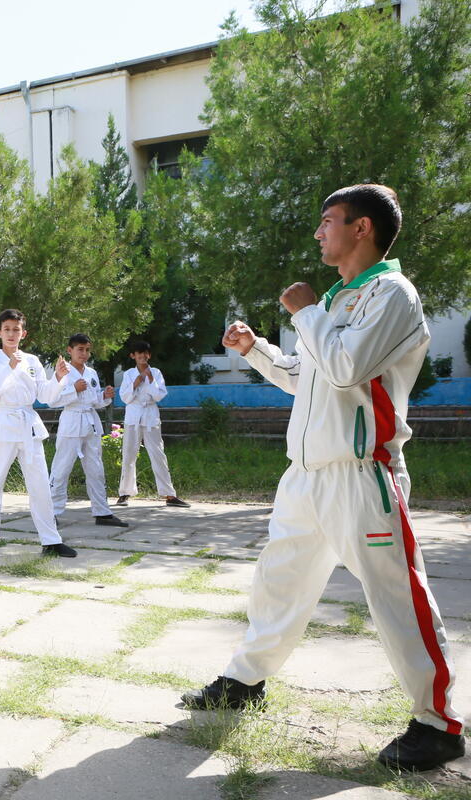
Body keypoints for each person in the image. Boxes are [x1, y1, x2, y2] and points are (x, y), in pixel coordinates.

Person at [182, 185, 464, 772]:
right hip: (306, 476)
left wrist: (306, 311)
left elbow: (345, 369)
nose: (318, 232)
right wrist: (255, 349)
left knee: (397, 596)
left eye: (328, 220)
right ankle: (245, 680)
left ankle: (438, 726)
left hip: (362, 476)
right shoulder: (337, 300)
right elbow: (305, 376)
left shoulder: (392, 294)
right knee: (278, 581)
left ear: (362, 228)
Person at [0, 309, 74, 558]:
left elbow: (45, 396)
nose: (11, 334)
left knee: (40, 485)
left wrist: (58, 378)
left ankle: (51, 540)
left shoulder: (32, 361)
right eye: (6, 329)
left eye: (16, 330)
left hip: (29, 425)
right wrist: (10, 368)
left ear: (23, 333)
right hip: (4, 424)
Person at [47, 334, 128, 527]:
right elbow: (52, 400)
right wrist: (73, 389)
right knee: (61, 469)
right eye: (80, 349)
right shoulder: (62, 372)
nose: (84, 353)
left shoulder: (91, 373)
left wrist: (105, 396)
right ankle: (50, 513)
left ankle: (102, 512)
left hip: (90, 424)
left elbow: (94, 400)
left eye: (87, 350)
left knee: (96, 469)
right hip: (71, 423)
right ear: (70, 350)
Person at [115, 341, 189, 509]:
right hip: (133, 416)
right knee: (129, 454)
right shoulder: (129, 374)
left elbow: (159, 396)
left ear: (149, 355)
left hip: (150, 416)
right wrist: (136, 382)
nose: (142, 356)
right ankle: (124, 493)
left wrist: (149, 379)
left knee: (158, 454)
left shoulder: (155, 372)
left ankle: (169, 494)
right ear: (133, 356)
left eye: (145, 353)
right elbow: (125, 397)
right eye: (139, 353)